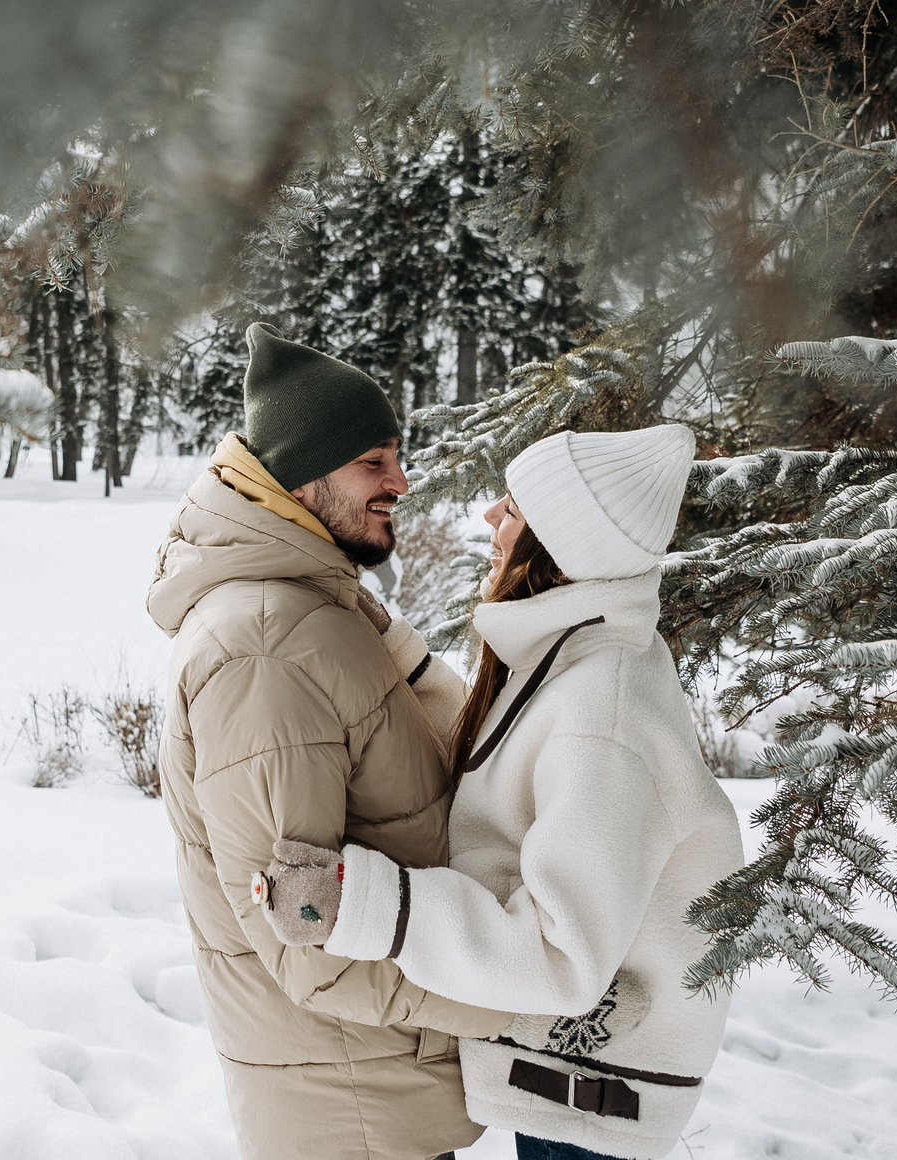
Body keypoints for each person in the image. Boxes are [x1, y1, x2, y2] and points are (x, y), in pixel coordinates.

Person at [253, 425, 741, 1160]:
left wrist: (358, 902)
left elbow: (559, 953)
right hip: (570, 1082)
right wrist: (401, 657)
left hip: (588, 1104)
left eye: (511, 509)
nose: (488, 518)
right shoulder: (584, 655)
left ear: (560, 545)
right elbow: (509, 760)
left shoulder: (601, 713)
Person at [148, 323, 506, 1160]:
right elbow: (307, 936)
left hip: (373, 1086)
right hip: (348, 1108)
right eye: (373, 462)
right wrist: (528, 999)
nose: (402, 482)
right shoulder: (265, 648)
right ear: (304, 478)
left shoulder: (320, 612)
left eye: (397, 456)